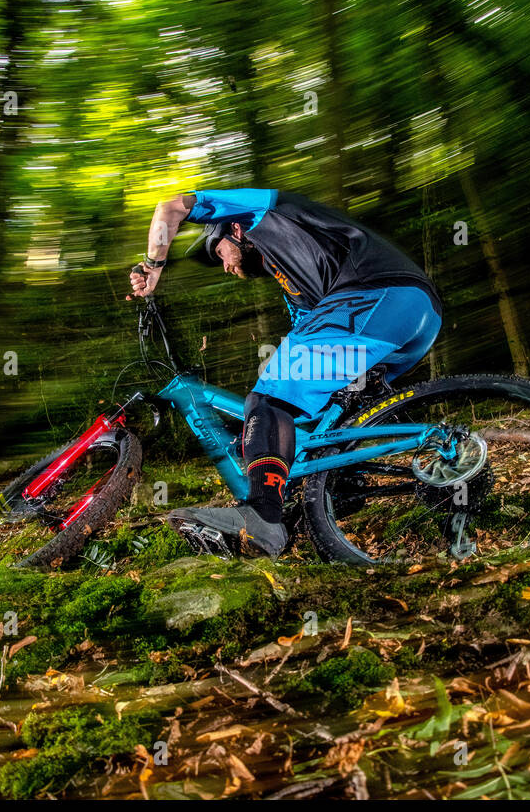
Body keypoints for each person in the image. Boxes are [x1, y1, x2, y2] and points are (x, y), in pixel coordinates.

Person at [129, 188, 441, 556]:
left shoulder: (259, 214)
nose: (227, 267)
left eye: (221, 253)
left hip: (375, 294)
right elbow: (302, 336)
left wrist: (152, 266)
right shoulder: (294, 285)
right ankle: (338, 489)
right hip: (414, 318)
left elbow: (170, 207)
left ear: (235, 232)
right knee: (323, 417)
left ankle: (262, 516)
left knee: (268, 398)